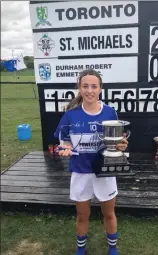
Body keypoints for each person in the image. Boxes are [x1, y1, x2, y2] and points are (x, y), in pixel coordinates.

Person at [54, 69, 128, 255]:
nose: (89, 90)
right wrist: (64, 149)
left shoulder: (110, 112)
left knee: (109, 213)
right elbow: (62, 144)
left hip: (105, 171)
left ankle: (112, 248)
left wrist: (121, 146)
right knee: (82, 215)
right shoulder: (70, 115)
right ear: (79, 88)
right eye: (85, 86)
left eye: (94, 86)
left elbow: (117, 142)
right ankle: (81, 249)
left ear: (100, 89)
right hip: (80, 171)